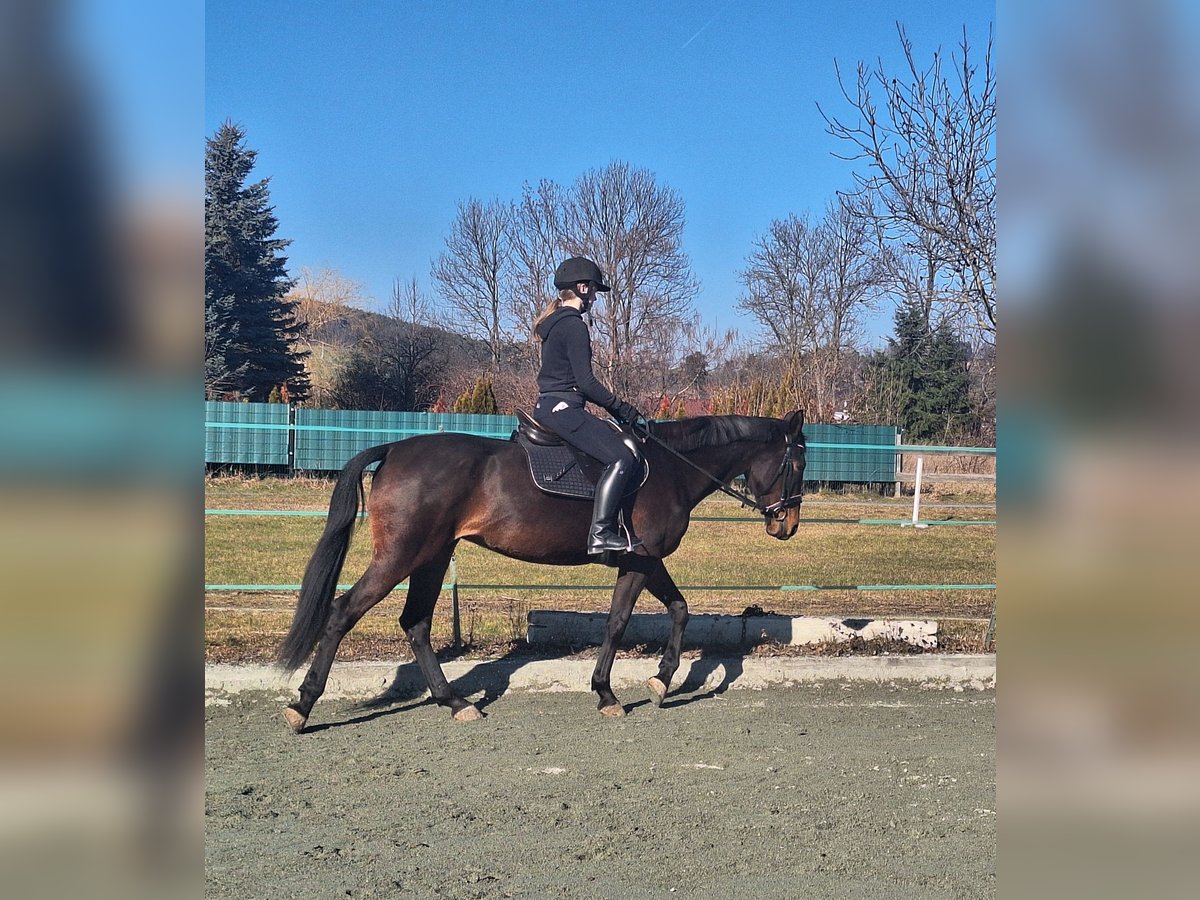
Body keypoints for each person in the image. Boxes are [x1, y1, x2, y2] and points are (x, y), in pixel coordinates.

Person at [532, 256, 645, 555]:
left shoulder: (554, 325)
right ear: (582, 288)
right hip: (564, 409)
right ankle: (601, 533)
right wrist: (621, 408)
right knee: (622, 457)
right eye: (593, 290)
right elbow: (586, 382)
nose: (595, 297)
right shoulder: (574, 326)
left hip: (548, 405)